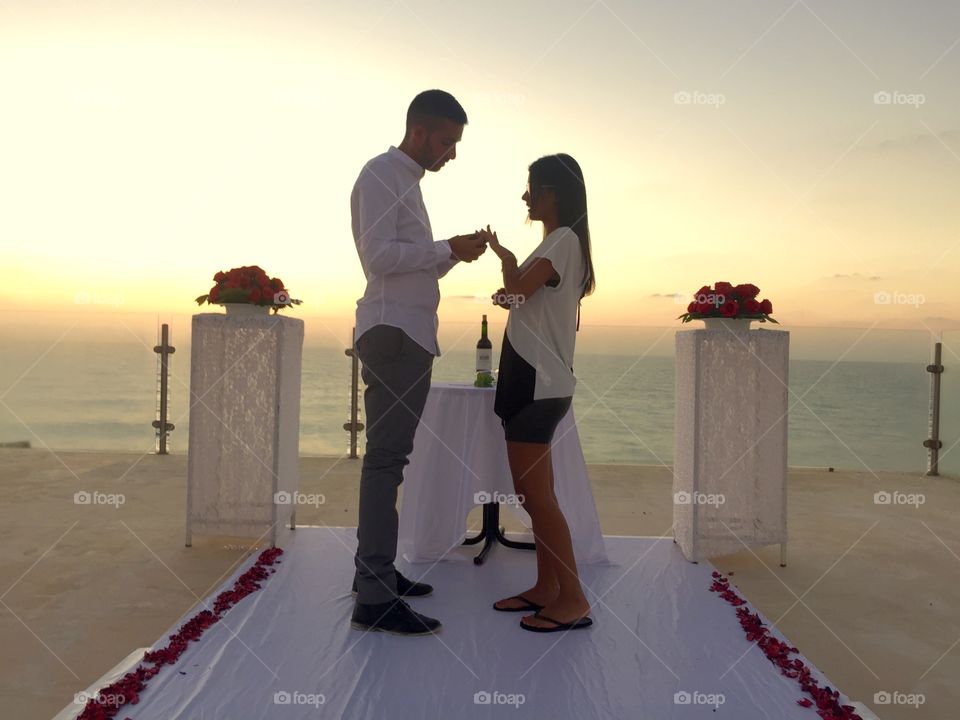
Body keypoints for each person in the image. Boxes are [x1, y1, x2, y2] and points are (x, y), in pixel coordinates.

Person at [349, 90, 487, 636]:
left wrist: (453, 252)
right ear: (421, 131)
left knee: (391, 461)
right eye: (448, 142)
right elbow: (377, 257)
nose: (451, 154)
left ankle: (378, 574)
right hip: (393, 334)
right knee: (385, 463)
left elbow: (413, 268)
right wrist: (441, 246)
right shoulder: (382, 173)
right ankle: (374, 593)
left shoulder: (407, 182)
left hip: (409, 334)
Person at [478, 153, 596, 633]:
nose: (526, 196)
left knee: (537, 497)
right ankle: (547, 587)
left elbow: (514, 297)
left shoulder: (564, 239)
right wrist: (506, 258)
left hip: (538, 380)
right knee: (532, 494)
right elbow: (520, 291)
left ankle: (573, 598)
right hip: (530, 377)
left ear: (554, 193)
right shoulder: (555, 242)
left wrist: (505, 287)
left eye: (533, 187)